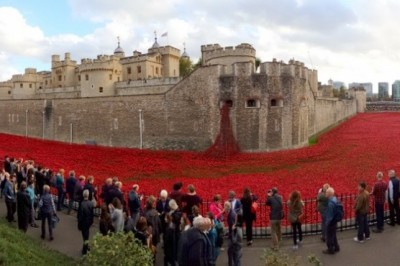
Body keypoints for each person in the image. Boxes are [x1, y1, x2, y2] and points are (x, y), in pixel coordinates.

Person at [77, 189, 95, 255]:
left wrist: (79, 224)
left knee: (85, 236)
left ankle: (84, 250)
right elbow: (92, 214)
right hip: (88, 222)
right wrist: (91, 222)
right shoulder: (90, 203)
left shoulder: (82, 204)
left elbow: (80, 216)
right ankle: (86, 247)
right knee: (86, 235)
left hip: (83, 222)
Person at [323, 187, 340, 254]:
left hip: (331, 222)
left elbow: (329, 216)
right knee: (334, 235)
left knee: (329, 236)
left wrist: (327, 224)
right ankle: (336, 247)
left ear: (329, 194)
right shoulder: (335, 199)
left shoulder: (330, 203)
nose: (325, 193)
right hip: (335, 220)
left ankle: (330, 249)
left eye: (326, 192)